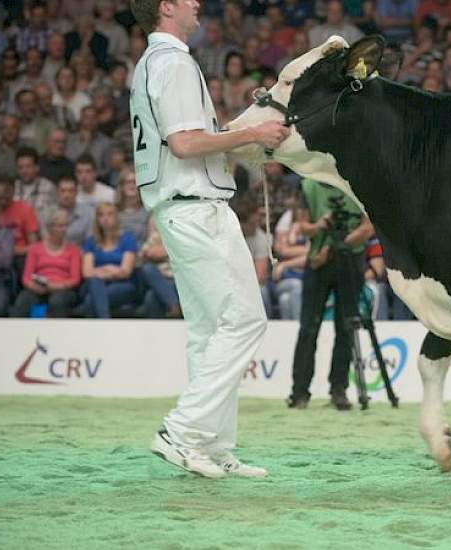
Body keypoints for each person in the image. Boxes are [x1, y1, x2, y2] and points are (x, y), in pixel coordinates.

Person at [129, 0, 289, 479]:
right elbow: (185, 143)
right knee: (244, 320)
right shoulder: (173, 62)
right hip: (197, 210)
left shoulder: (152, 63)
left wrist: (241, 136)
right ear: (166, 7)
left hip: (181, 209)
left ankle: (212, 446)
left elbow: (185, 142)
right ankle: (181, 431)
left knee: (208, 334)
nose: (198, 2)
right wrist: (250, 134)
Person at [287, 178, 374, 411]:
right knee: (308, 327)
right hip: (318, 263)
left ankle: (339, 390)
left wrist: (340, 244)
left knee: (346, 327)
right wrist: (320, 227)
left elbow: (368, 227)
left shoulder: (358, 182)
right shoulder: (309, 185)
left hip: (350, 260)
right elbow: (302, 225)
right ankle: (299, 392)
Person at [12, 209, 81, 318]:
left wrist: (57, 286)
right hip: (38, 288)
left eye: (65, 226)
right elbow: (26, 277)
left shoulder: (73, 250)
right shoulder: (35, 249)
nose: (63, 229)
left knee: (57, 301)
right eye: (59, 226)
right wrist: (34, 287)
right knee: (24, 299)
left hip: (62, 289)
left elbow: (75, 279)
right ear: (50, 228)